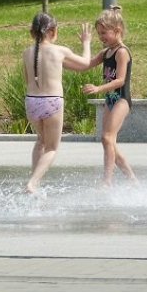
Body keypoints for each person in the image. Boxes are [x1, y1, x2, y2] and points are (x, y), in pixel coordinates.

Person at [22, 12, 93, 194]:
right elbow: (85, 64)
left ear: (32, 32)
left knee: (41, 141)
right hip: (52, 102)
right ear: (53, 31)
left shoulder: (27, 53)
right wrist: (86, 43)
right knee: (52, 147)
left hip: (31, 102)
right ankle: (33, 183)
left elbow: (26, 78)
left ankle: (34, 179)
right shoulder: (60, 51)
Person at [82, 6, 138, 186]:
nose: (101, 37)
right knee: (108, 141)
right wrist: (86, 43)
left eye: (104, 33)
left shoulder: (122, 52)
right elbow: (86, 64)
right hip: (111, 100)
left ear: (118, 30)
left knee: (107, 138)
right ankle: (133, 180)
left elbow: (120, 80)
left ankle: (107, 181)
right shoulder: (106, 53)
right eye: (99, 34)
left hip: (121, 99)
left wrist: (99, 88)